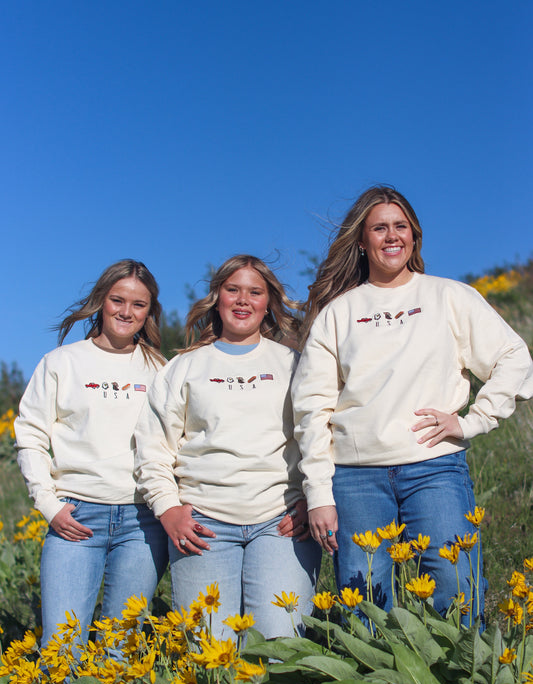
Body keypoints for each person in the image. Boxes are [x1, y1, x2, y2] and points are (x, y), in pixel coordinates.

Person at [292, 186, 533, 621]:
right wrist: (318, 493)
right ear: (361, 241)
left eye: (400, 226)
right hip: (355, 477)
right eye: (379, 228)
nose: (391, 236)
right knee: (364, 603)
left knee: (456, 590)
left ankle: (464, 670)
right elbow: (311, 411)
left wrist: (473, 421)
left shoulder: (449, 296)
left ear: (414, 236)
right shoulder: (338, 313)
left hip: (435, 468)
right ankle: (377, 671)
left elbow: (514, 357)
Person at [134, 254, 321, 640]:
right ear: (217, 297)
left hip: (281, 522)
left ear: (268, 302)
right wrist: (167, 509)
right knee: (210, 654)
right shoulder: (184, 367)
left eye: (255, 292)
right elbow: (153, 447)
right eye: (232, 290)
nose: (243, 300)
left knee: (282, 648)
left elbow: (316, 435)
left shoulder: (293, 364)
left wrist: (311, 498)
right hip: (203, 525)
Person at [15, 260, 169, 648]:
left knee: (121, 649)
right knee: (61, 648)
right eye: (118, 300)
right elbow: (30, 436)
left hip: (143, 521)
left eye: (138, 304)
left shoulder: (159, 369)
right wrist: (48, 505)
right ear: (101, 301)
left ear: (149, 311)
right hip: (75, 516)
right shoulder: (61, 362)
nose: (126, 311)